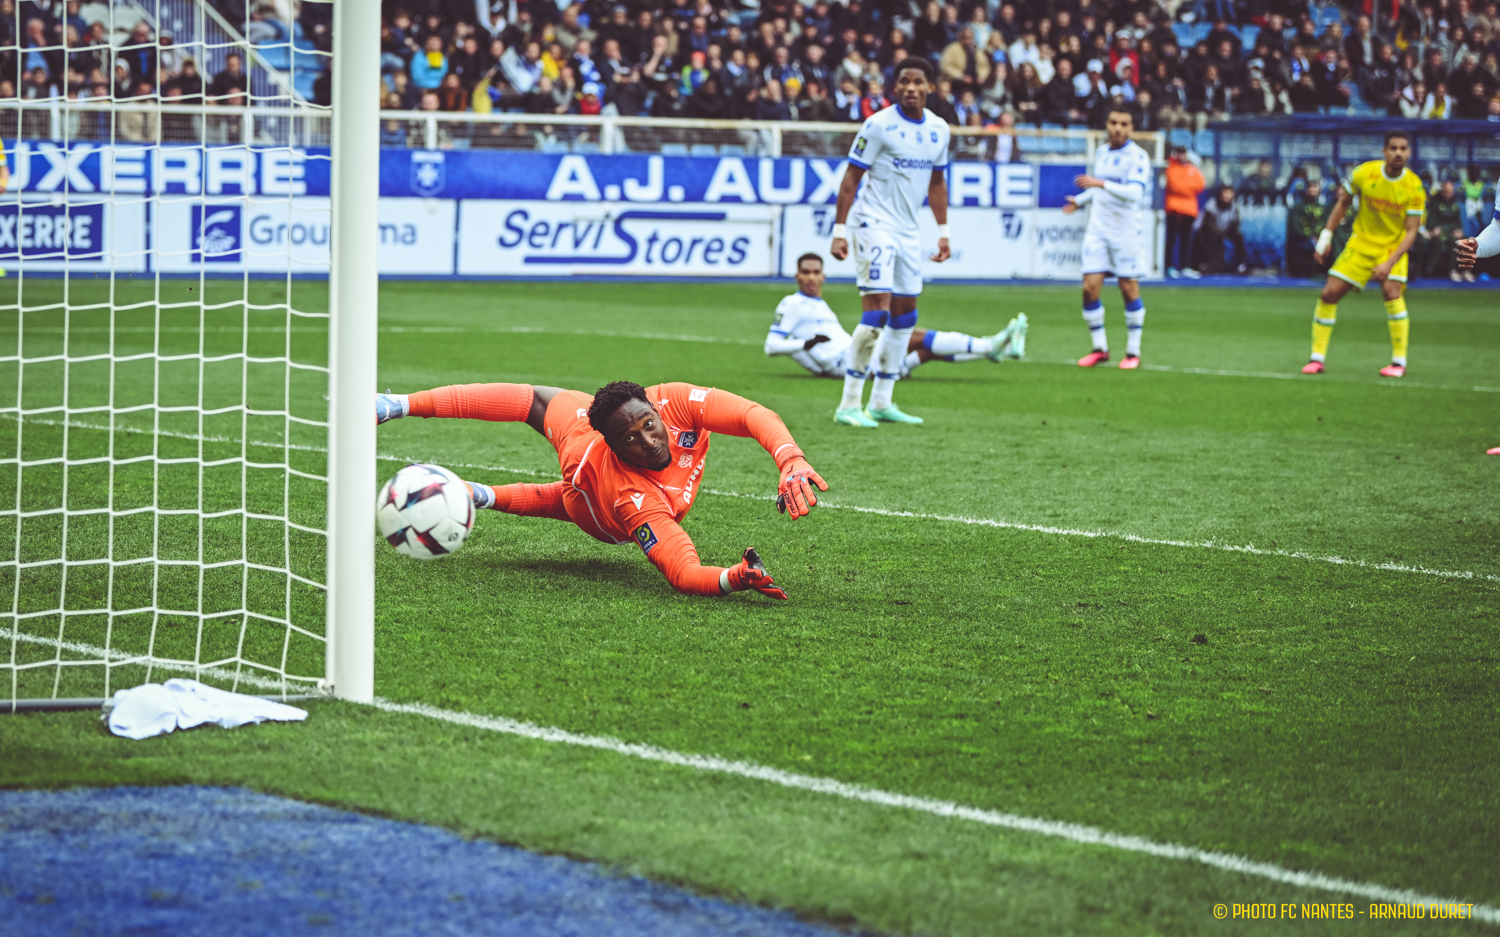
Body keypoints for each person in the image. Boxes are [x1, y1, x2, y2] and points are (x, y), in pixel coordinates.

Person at [374, 381, 826, 600]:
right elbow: (685, 574)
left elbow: (751, 413)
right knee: (571, 498)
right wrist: (733, 577)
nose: (648, 441)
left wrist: (790, 458)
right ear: (611, 442)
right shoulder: (636, 501)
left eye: (649, 424)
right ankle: (400, 411)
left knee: (537, 398)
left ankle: (471, 484)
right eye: (630, 438)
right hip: (593, 497)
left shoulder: (676, 402)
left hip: (589, 440)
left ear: (655, 405)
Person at [828, 57, 952, 428]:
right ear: (896, 87)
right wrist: (839, 229)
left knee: (905, 315)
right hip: (873, 224)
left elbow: (936, 184)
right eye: (904, 82)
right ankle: (849, 403)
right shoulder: (878, 125)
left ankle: (882, 400)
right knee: (877, 312)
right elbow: (851, 179)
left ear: (930, 86)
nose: (911, 88)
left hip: (909, 231)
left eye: (918, 82)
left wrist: (943, 231)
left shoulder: (940, 129)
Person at [765, 253, 1025, 380]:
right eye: (806, 272)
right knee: (913, 335)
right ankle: (988, 345)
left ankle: (987, 351)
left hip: (851, 356)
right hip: (845, 361)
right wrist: (806, 347)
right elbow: (771, 346)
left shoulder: (818, 304)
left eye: (816, 272)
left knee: (927, 351)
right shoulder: (792, 304)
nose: (811, 277)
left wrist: (811, 361)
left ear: (823, 276)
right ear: (797, 276)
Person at [1305, 131, 1424, 378]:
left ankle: (1398, 362)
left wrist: (1390, 262)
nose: (1398, 153)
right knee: (1328, 294)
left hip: (1392, 247)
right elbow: (1343, 203)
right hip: (1360, 244)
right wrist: (1326, 235)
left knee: (1392, 293)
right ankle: (1317, 359)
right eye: (1393, 148)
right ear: (1384, 151)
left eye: (1403, 148)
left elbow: (1412, 231)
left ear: (1409, 152)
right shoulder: (1364, 174)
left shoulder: (1413, 186)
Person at [1064, 107, 1151, 370]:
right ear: (1107, 124)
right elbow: (1098, 189)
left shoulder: (1138, 156)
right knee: (1089, 289)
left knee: (1128, 289)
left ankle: (1133, 352)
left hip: (1125, 232)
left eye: (1124, 124)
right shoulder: (1101, 153)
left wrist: (1099, 184)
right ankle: (1100, 349)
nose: (1117, 128)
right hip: (1098, 231)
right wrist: (1080, 200)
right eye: (1113, 122)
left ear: (1131, 128)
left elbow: (1134, 193)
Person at [1163, 145, 1204, 278]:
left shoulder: (1192, 168)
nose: (1181, 155)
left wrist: (1185, 188)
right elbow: (1175, 186)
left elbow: (1201, 184)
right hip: (1174, 209)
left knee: (1186, 240)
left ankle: (1185, 267)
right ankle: (1169, 266)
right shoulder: (1171, 167)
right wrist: (1188, 188)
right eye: (1179, 153)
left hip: (1189, 210)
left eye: (1183, 153)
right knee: (1171, 239)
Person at [1193, 185, 1247, 273]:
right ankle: (1203, 265)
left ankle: (1240, 265)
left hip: (1225, 229)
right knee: (1206, 238)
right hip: (1207, 231)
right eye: (1225, 193)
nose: (1227, 196)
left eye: (1230, 193)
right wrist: (1221, 234)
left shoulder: (1234, 206)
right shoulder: (1211, 205)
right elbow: (1209, 225)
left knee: (1239, 237)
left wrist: (1225, 232)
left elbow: (1235, 223)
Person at [1285, 179, 1329, 278]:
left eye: (1315, 189)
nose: (1312, 192)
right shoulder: (1298, 207)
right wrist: (1310, 236)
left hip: (1319, 238)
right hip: (1303, 239)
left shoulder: (1322, 207)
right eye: (1310, 189)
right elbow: (1296, 225)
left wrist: (1319, 236)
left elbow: (1324, 223)